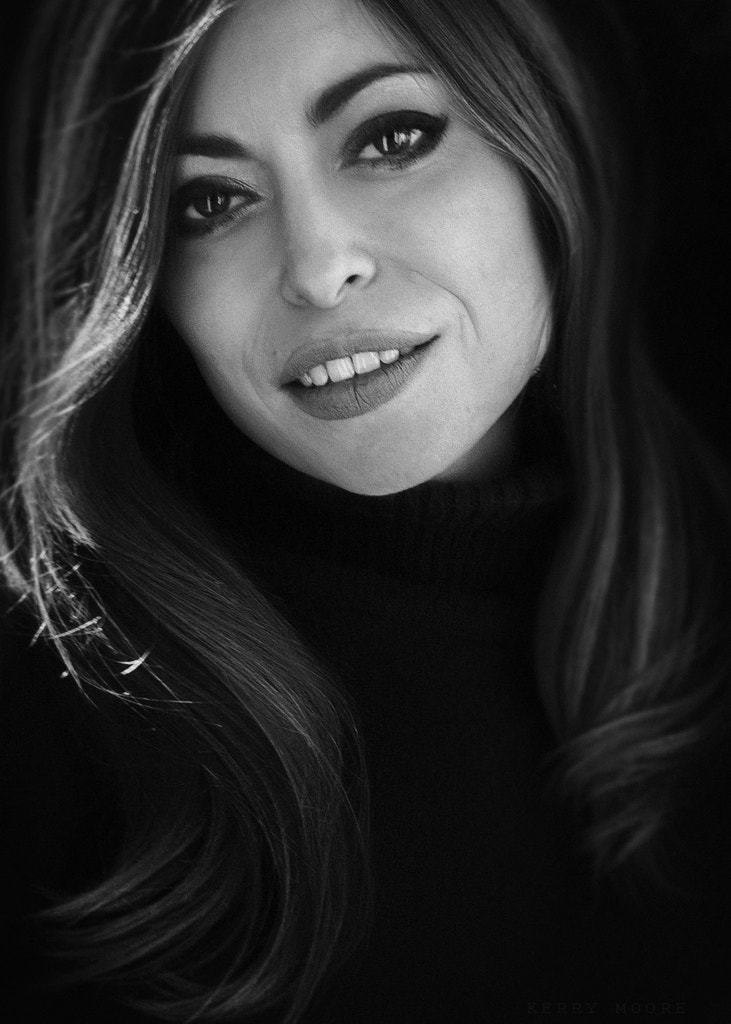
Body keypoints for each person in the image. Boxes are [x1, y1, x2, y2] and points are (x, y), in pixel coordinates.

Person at [1, 0, 730, 1021]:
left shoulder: (703, 568)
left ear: (549, 144)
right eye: (209, 201)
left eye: (391, 138)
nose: (316, 268)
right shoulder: (50, 713)